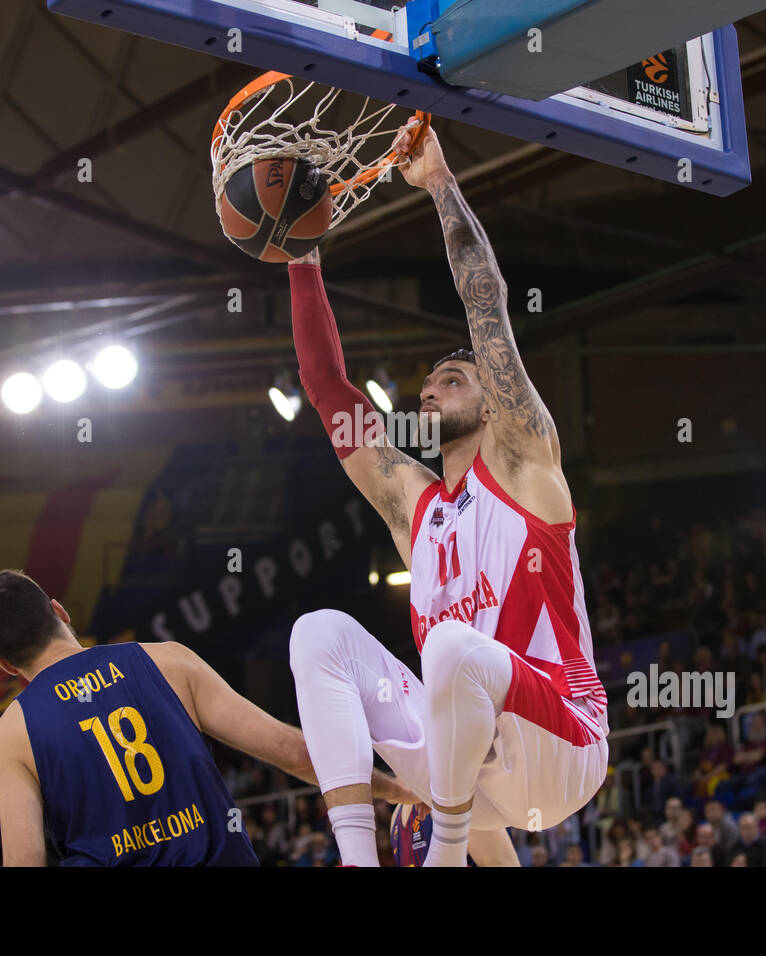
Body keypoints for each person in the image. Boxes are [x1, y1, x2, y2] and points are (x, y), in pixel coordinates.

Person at [282, 120, 608, 867]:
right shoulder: (413, 507)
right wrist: (303, 259)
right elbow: (327, 389)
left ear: (494, 400)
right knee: (318, 634)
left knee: (458, 647)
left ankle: (446, 851)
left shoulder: (525, 463)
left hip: (561, 738)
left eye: (453, 380)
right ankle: (362, 859)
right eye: (427, 385)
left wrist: (439, 186)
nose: (432, 391)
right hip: (477, 771)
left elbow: (484, 299)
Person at [0, 570, 413, 866]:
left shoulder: (6, 740)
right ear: (59, 612)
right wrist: (396, 789)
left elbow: (25, 861)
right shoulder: (167, 662)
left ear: (6, 664)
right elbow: (293, 751)